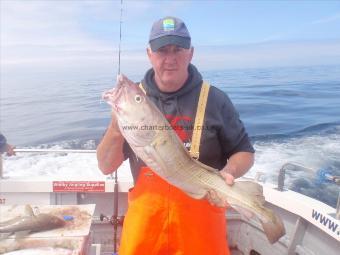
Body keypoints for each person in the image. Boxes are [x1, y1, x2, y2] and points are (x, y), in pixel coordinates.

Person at [97, 16, 255, 255]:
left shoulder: (216, 100)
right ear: (149, 53)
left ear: (190, 53)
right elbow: (106, 166)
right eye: (162, 50)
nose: (170, 59)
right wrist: (115, 128)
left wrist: (229, 172)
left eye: (178, 50)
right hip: (145, 232)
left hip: (201, 233)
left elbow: (244, 152)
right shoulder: (133, 103)